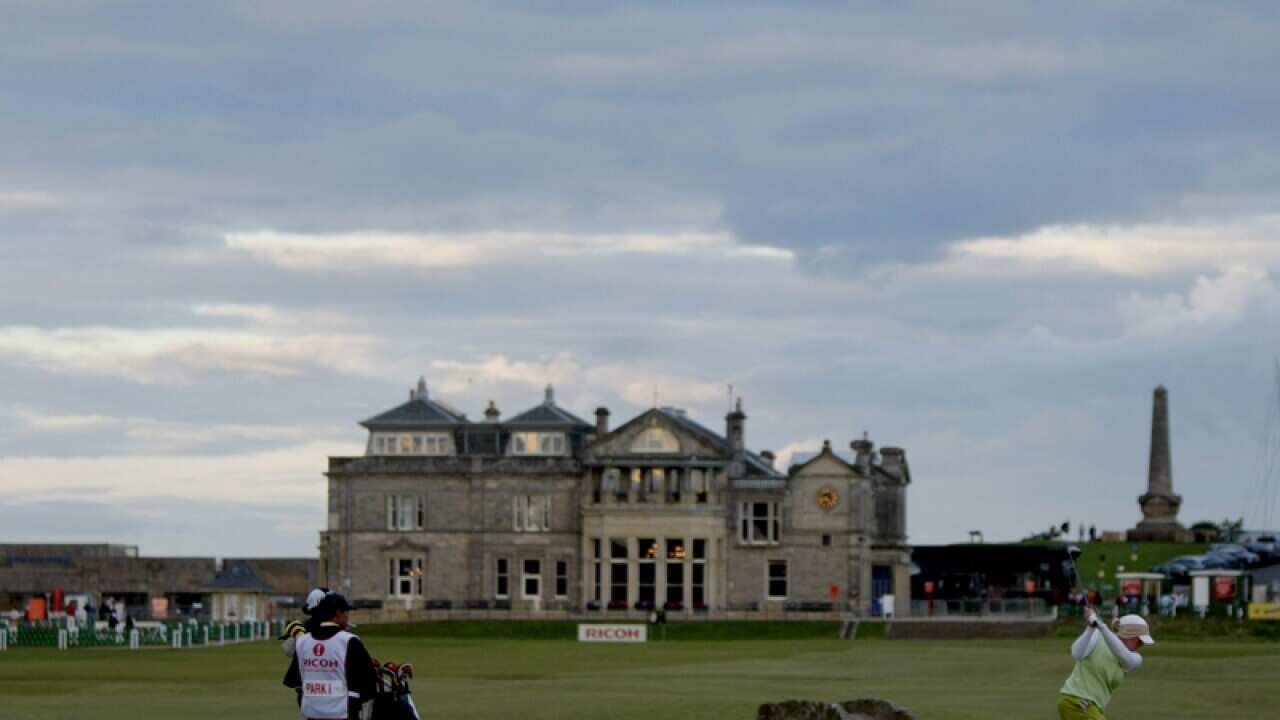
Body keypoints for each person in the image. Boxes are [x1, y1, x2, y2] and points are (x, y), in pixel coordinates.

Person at [283, 592, 378, 720]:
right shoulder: (349, 641)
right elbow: (370, 684)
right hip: (345, 713)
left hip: (312, 713)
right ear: (338, 613)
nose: (347, 617)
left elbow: (295, 682)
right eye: (346, 613)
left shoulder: (302, 642)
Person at [1057, 608, 1154, 719]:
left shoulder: (1135, 658)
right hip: (1076, 701)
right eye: (1139, 639)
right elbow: (1076, 654)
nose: (1141, 644)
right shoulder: (1097, 637)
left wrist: (1102, 626)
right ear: (1127, 635)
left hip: (1091, 707)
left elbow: (1123, 656)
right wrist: (1090, 628)